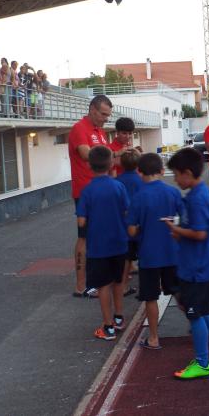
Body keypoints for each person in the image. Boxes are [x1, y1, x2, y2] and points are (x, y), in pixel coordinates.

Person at [165, 148, 209, 379]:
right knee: (198, 307)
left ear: (187, 172)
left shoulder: (197, 198)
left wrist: (176, 230)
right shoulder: (197, 194)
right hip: (196, 264)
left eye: (176, 175)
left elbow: (200, 234)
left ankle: (203, 363)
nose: (175, 180)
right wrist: (180, 232)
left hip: (198, 267)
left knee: (194, 313)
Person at [126, 153, 183, 350]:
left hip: (149, 255)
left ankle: (153, 337)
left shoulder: (138, 197)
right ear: (161, 170)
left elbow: (132, 230)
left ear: (139, 172)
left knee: (150, 297)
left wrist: (142, 227)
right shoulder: (173, 192)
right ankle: (197, 324)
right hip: (172, 252)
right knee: (178, 291)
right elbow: (182, 219)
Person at [76, 145, 129, 340]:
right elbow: (126, 211)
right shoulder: (119, 186)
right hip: (119, 243)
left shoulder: (87, 190)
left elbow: (81, 221)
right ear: (111, 164)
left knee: (103, 286)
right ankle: (119, 318)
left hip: (98, 246)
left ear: (89, 165)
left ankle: (108, 327)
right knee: (118, 282)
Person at [69, 95, 112, 298]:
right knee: (84, 238)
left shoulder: (100, 132)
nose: (105, 118)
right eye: (103, 114)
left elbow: (108, 157)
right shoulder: (80, 128)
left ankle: (95, 281)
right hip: (85, 193)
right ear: (92, 109)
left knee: (96, 238)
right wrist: (115, 155)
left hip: (100, 191)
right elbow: (88, 154)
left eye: (108, 115)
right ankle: (81, 286)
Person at [115, 150, 143, 297]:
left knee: (126, 259)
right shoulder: (141, 180)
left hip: (123, 226)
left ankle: (123, 286)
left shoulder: (117, 181)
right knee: (144, 256)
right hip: (139, 225)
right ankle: (147, 286)